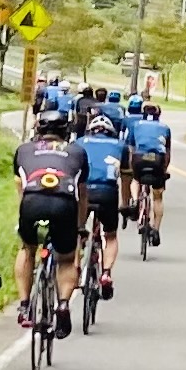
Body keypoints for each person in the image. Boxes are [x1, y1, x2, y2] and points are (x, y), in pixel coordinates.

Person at [13, 110, 89, 339]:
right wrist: (80, 226)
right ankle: (63, 304)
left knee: (27, 249)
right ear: (66, 130)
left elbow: (21, 186)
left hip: (31, 202)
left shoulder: (23, 150)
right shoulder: (77, 152)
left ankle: (25, 304)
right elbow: (82, 194)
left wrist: (24, 215)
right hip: (64, 203)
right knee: (66, 259)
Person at [76, 116, 126, 299]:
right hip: (107, 193)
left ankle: (74, 269)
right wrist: (126, 203)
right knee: (110, 235)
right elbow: (126, 177)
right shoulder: (120, 145)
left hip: (84, 192)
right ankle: (105, 273)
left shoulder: (79, 142)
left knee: (76, 231)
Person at [127, 102, 171, 247]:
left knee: (135, 179)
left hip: (140, 158)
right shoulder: (165, 128)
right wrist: (164, 169)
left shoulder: (136, 125)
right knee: (157, 196)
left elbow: (132, 148)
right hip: (157, 160)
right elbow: (167, 153)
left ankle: (134, 200)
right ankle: (156, 229)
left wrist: (131, 165)